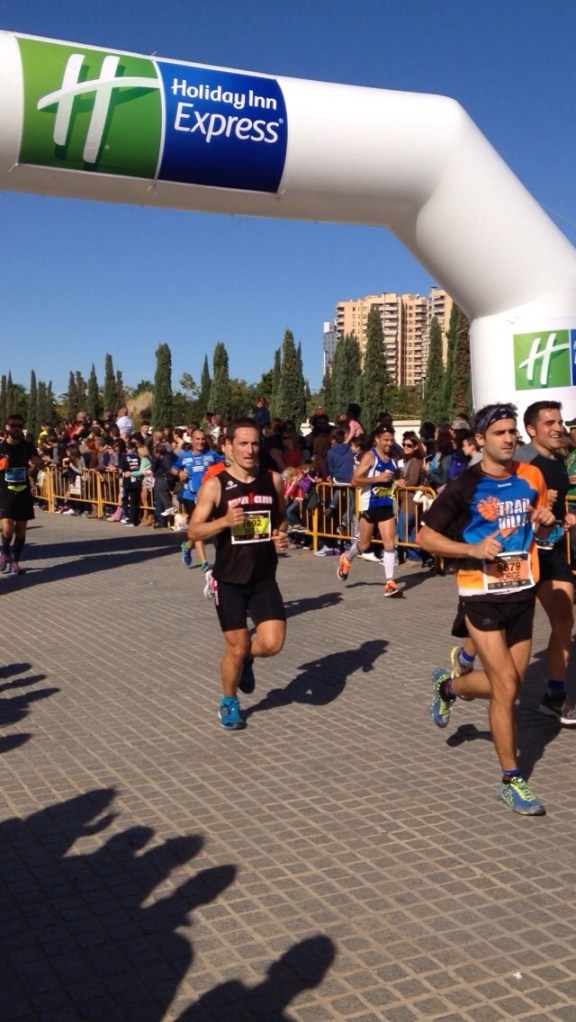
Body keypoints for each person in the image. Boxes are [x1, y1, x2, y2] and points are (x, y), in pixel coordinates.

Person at [419, 403, 556, 816]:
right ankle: (511, 779)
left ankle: (449, 687)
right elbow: (425, 537)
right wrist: (471, 550)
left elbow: (540, 525)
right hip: (480, 594)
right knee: (508, 689)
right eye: (500, 433)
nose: (509, 439)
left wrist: (546, 520)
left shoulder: (530, 476)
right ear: (480, 440)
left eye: (513, 432)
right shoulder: (464, 487)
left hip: (521, 592)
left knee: (507, 683)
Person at [188, 418, 288, 731]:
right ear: (228, 446)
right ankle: (229, 701)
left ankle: (247, 660)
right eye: (243, 443)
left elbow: (281, 519)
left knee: (272, 644)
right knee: (236, 646)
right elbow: (193, 529)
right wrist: (223, 523)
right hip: (229, 579)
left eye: (255, 443)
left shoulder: (273, 480)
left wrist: (281, 535)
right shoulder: (216, 484)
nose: (250, 449)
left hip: (263, 578)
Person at [510, 401, 576, 726]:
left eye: (559, 421)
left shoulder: (560, 458)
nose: (557, 427)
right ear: (531, 429)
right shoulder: (521, 461)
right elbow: (504, 505)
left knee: (564, 620)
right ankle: (457, 680)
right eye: (549, 422)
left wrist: (566, 516)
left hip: (551, 555)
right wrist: (534, 514)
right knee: (510, 647)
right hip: (518, 558)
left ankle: (554, 696)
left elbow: (557, 503)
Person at [336, 424, 401, 596]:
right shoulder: (370, 457)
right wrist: (377, 478)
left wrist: (398, 483)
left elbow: (393, 479)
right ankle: (347, 558)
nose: (389, 443)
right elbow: (355, 481)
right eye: (386, 440)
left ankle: (390, 582)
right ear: (376, 439)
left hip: (386, 504)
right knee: (364, 545)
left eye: (391, 440)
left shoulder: (393, 458)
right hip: (369, 505)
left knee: (389, 543)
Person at [0, 413, 43, 573]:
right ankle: (4, 552)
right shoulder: (1, 448)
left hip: (23, 491)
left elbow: (40, 464)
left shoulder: (27, 446)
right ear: (7, 427)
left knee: (21, 528)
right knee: (8, 527)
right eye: (13, 426)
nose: (17, 429)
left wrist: (38, 464)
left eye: (19, 426)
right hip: (5, 491)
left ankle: (15, 562)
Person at [173, 429, 222, 570]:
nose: (200, 442)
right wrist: (180, 472)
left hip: (208, 497)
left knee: (212, 528)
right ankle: (204, 563)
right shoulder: (184, 456)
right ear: (192, 440)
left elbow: (223, 467)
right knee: (198, 527)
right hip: (191, 496)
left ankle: (187, 546)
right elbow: (172, 468)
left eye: (202, 439)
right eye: (197, 439)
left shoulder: (212, 455)